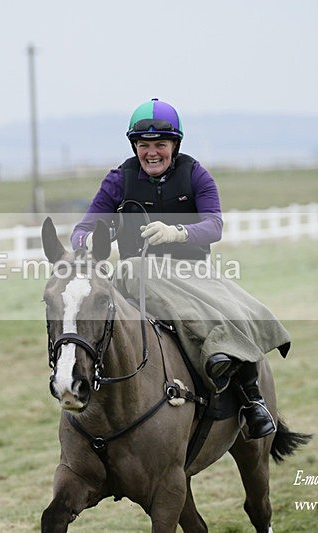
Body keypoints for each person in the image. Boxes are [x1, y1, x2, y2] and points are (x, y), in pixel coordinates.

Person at [70, 98, 291, 439]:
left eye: (161, 144)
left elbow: (215, 225)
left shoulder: (195, 174)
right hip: (136, 275)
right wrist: (95, 238)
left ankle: (251, 398)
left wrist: (179, 233)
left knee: (238, 310)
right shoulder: (118, 180)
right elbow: (81, 231)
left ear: (175, 145)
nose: (152, 152)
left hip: (193, 271)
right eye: (144, 145)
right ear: (135, 147)